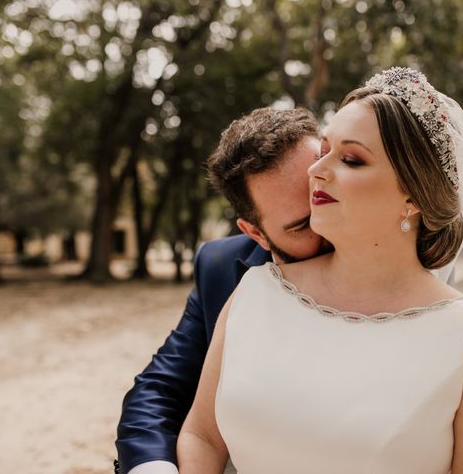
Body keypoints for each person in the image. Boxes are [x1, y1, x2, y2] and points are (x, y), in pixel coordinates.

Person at [176, 68, 463, 473]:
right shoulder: (255, 291)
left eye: (351, 159)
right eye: (324, 152)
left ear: (413, 195)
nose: (317, 171)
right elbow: (202, 436)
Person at [115, 107, 330, 474]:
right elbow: (159, 389)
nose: (332, 226)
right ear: (256, 234)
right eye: (303, 225)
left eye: (327, 200)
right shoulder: (220, 267)